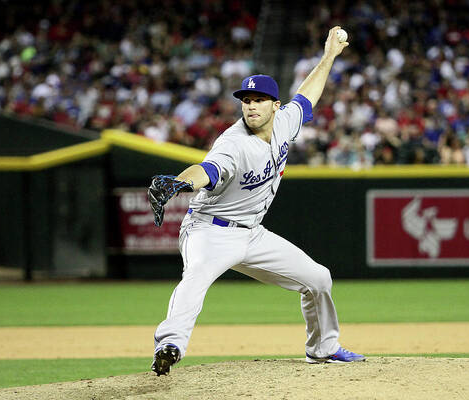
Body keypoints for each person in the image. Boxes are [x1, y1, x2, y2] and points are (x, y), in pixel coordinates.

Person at [149, 26, 365, 376]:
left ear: (275, 106)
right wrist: (179, 182)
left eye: (258, 100)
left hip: (252, 234)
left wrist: (329, 56)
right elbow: (207, 170)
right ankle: (169, 345)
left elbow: (308, 95)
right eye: (246, 101)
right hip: (209, 231)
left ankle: (323, 348)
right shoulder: (233, 143)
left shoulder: (286, 122)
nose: (250, 106)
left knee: (319, 279)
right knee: (196, 278)